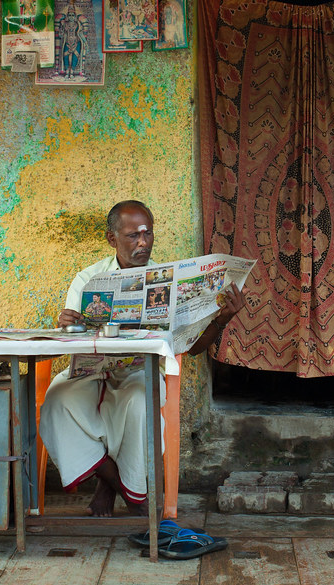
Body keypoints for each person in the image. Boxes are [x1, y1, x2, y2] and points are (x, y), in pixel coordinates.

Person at [40, 200, 246, 517]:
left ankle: (111, 490)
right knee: (56, 398)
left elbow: (192, 348)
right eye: (132, 235)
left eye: (147, 234)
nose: (142, 243)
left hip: (142, 373)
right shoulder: (88, 280)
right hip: (93, 374)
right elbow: (72, 340)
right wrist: (69, 325)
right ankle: (132, 494)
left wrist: (222, 318)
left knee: (140, 402)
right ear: (112, 239)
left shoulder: (169, 281)